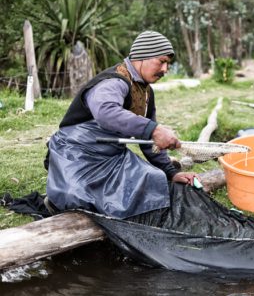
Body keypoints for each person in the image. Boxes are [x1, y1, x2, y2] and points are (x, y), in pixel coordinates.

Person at [45, 31, 200, 218]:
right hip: (77, 153)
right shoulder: (114, 82)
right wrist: (154, 129)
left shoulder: (146, 92)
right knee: (76, 199)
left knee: (153, 179)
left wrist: (170, 172)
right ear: (142, 57)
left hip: (112, 155)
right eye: (161, 61)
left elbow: (149, 139)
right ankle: (54, 202)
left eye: (168, 64)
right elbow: (106, 112)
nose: (165, 69)